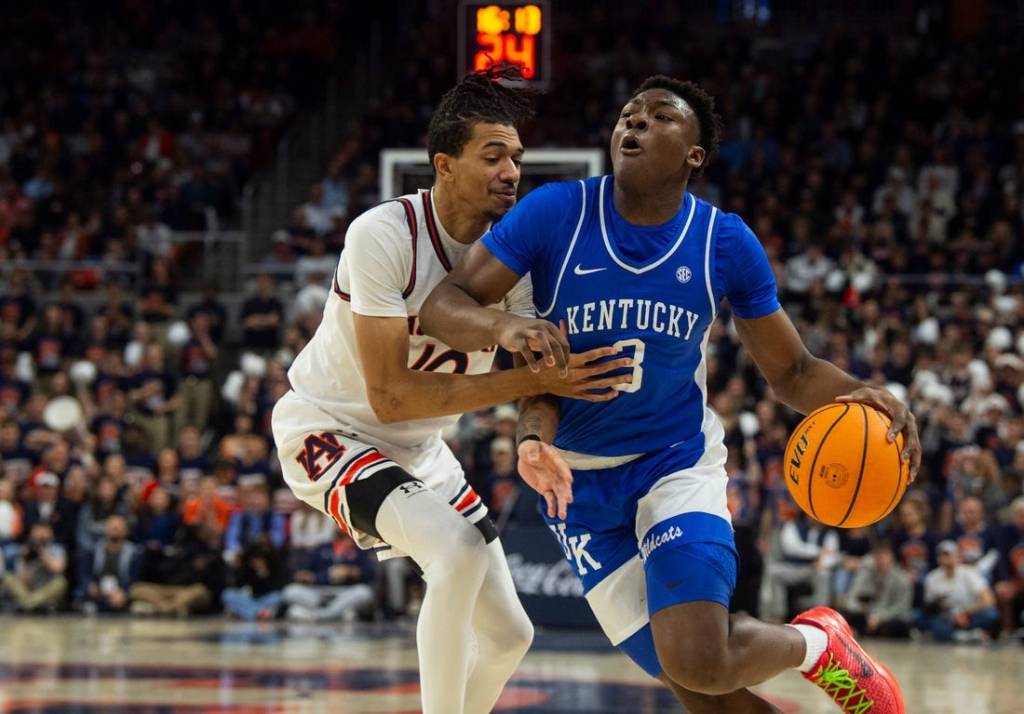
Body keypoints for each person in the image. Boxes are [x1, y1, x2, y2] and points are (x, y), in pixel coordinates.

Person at [420, 74, 924, 713]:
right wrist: (505, 326)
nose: (633, 123)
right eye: (629, 114)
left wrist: (867, 394)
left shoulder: (724, 241)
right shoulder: (556, 213)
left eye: (659, 117)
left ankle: (818, 643)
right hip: (578, 486)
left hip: (674, 466)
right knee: (702, 691)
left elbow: (792, 372)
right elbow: (444, 304)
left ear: (695, 155)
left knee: (701, 658)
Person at [270, 65, 630, 714]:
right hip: (333, 427)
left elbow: (538, 384)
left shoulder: (517, 258)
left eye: (516, 157)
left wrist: (531, 435)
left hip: (421, 448)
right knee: (457, 552)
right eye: (492, 156)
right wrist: (532, 375)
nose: (511, 172)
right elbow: (390, 397)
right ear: (443, 165)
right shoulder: (381, 236)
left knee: (510, 635)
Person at [919, 539, 999, 642]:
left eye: (949, 554)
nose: (946, 558)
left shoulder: (970, 573)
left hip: (970, 615)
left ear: (958, 556)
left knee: (990, 615)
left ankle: (955, 636)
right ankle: (969, 636)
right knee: (920, 617)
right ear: (938, 558)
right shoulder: (932, 578)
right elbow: (929, 606)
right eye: (943, 555)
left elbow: (988, 600)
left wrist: (964, 613)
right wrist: (950, 615)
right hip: (945, 617)